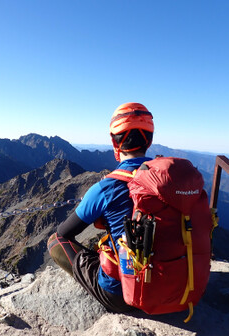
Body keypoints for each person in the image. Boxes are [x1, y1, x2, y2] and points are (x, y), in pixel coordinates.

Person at [47, 102, 154, 313]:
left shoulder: (107, 187)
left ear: (115, 142)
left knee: (55, 241)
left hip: (124, 296)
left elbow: (63, 233)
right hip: (177, 286)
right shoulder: (169, 178)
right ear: (149, 141)